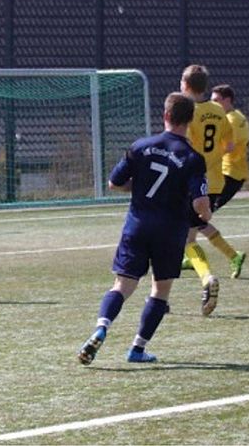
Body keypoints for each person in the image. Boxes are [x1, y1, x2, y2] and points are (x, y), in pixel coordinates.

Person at [78, 93, 210, 365]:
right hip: (170, 232)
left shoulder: (140, 146)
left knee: (123, 285)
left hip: (137, 226)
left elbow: (114, 183)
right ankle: (137, 349)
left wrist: (136, 188)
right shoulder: (193, 158)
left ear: (165, 115)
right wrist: (204, 213)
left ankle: (101, 327)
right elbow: (200, 204)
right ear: (190, 120)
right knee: (160, 291)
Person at [178, 65, 234, 316]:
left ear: (186, 85)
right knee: (188, 234)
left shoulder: (187, 112)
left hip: (192, 182)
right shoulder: (219, 112)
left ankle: (206, 278)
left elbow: (184, 146)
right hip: (215, 181)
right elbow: (229, 144)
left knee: (185, 239)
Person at [209, 84, 249, 278]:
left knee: (198, 217)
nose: (213, 103)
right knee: (194, 217)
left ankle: (234, 255)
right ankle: (187, 255)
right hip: (224, 174)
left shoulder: (232, 121)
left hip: (228, 176)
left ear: (227, 100)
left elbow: (227, 148)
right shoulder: (236, 117)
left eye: (216, 100)